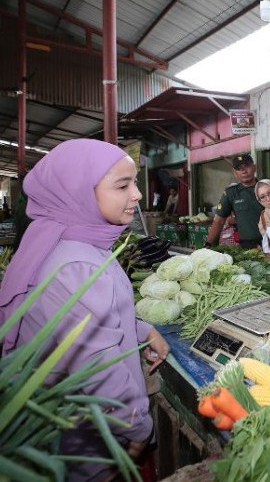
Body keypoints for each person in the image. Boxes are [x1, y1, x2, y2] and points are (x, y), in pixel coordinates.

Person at [0, 139, 170, 480]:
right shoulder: (76, 264)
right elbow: (94, 366)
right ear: (78, 191)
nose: (136, 195)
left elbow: (83, 318)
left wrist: (142, 330)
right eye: (123, 185)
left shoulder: (64, 241)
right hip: (94, 446)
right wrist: (136, 425)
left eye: (133, 183)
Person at [205, 153, 264, 249]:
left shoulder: (267, 188)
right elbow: (219, 221)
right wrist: (208, 244)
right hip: (247, 247)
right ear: (235, 173)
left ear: (254, 167)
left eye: (247, 166)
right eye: (239, 168)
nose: (244, 171)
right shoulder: (231, 193)